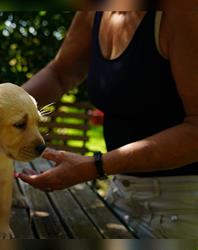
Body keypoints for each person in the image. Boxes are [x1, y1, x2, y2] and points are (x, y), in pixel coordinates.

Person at [16, 9, 198, 238]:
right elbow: (60, 74)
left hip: (184, 209)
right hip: (120, 197)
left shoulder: (182, 12)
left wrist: (96, 166)